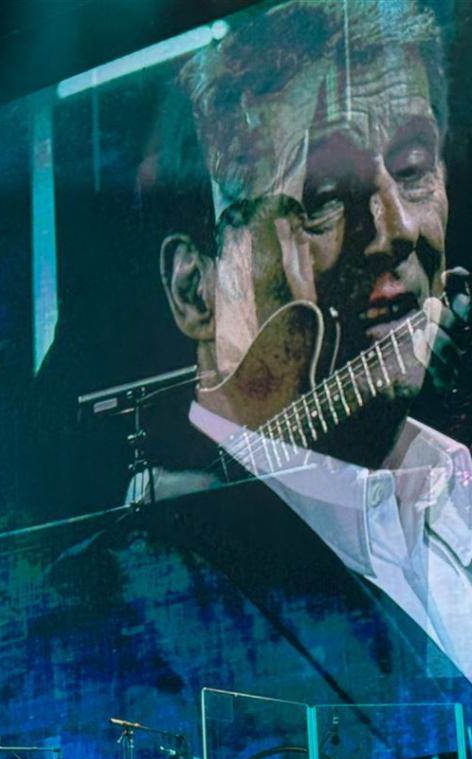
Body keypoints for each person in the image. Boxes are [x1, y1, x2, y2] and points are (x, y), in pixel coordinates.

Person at [155, 0, 472, 679]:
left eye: (413, 168)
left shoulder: (461, 485)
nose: (394, 230)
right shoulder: (143, 583)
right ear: (196, 289)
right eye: (326, 194)